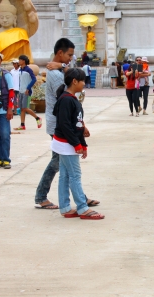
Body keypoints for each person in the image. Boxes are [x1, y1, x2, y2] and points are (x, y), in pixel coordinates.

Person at [35, 38, 100, 209]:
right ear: (59, 53)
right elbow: (66, 105)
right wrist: (79, 126)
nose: (71, 58)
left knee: (63, 164)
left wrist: (63, 67)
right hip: (61, 124)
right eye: (69, 55)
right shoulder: (57, 75)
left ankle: (78, 198)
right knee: (60, 163)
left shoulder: (58, 71)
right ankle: (42, 196)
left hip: (62, 123)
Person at [52, 68, 104, 220]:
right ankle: (82, 207)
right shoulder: (67, 100)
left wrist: (83, 142)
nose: (84, 84)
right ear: (74, 81)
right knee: (74, 175)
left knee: (65, 175)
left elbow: (77, 123)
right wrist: (77, 144)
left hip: (65, 143)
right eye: (82, 81)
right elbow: (65, 125)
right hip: (66, 144)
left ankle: (65, 207)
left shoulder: (69, 99)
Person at [14, 54, 42, 130]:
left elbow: (34, 79)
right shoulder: (20, 70)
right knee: (22, 108)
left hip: (26, 91)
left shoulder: (28, 69)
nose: (19, 61)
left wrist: (28, 88)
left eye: (20, 60)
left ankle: (37, 118)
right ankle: (22, 124)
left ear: (23, 61)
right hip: (20, 91)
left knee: (25, 108)